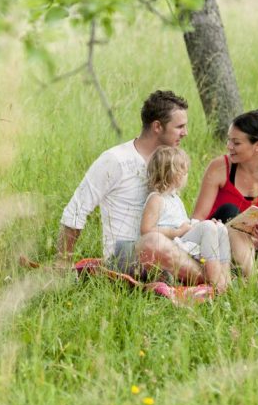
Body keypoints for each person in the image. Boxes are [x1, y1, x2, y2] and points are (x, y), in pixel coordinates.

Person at [57, 90, 203, 285]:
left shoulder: (170, 162)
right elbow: (76, 210)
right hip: (127, 256)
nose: (185, 133)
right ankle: (214, 281)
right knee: (154, 242)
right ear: (157, 126)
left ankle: (218, 276)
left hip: (172, 247)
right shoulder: (115, 160)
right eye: (180, 127)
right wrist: (63, 262)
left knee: (221, 228)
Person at [192, 108, 258, 278]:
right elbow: (198, 217)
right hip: (221, 239)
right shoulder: (219, 167)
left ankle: (240, 269)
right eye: (229, 141)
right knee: (230, 210)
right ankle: (254, 278)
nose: (229, 147)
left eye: (236, 143)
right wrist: (210, 227)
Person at [140, 146, 232, 291]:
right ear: (176, 175)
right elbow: (146, 230)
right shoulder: (156, 199)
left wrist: (200, 225)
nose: (187, 175)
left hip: (183, 239)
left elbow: (184, 224)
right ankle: (216, 284)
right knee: (208, 227)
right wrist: (176, 232)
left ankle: (226, 279)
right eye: (185, 172)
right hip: (172, 244)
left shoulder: (175, 198)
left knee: (220, 228)